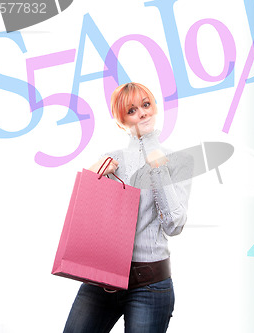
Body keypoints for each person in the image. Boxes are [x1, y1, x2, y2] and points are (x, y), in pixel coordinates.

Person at [63, 82, 193, 333]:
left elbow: (174, 225)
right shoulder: (111, 159)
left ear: (155, 107)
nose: (142, 113)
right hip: (100, 278)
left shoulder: (179, 161)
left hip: (151, 285)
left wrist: (158, 169)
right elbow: (85, 217)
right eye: (131, 110)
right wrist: (94, 173)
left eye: (146, 104)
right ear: (120, 122)